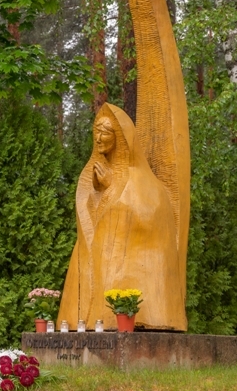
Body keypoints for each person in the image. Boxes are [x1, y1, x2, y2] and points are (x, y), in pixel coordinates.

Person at [58, 103, 185, 330]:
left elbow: (147, 215)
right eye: (96, 131)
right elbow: (91, 220)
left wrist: (112, 187)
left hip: (127, 262)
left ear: (120, 137)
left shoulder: (140, 179)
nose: (98, 138)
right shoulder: (96, 170)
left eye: (105, 132)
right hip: (99, 257)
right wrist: (99, 191)